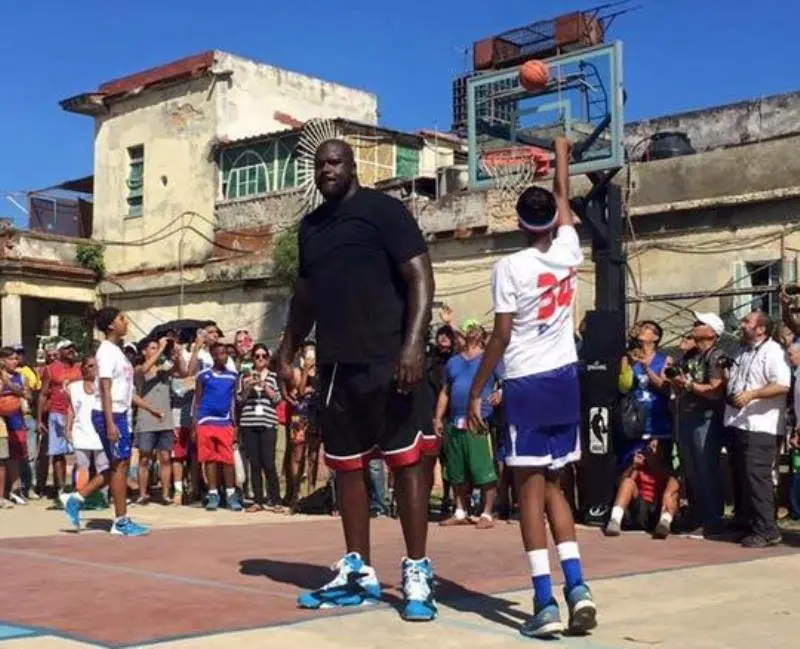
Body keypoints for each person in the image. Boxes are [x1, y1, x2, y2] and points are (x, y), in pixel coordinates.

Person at [277, 139, 438, 621]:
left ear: (352, 167)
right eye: (319, 164)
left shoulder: (383, 211)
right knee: (346, 466)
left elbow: (420, 277)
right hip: (335, 365)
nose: (326, 170)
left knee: (406, 465)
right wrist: (286, 354)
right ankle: (358, 571)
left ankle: (416, 571)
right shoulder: (311, 229)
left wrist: (413, 345)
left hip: (389, 359)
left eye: (335, 162)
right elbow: (305, 297)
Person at [467, 138, 596, 638]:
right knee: (556, 488)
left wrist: (478, 388)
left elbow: (500, 336)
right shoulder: (569, 251)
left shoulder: (510, 268)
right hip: (566, 379)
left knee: (527, 495)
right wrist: (561, 153)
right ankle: (579, 588)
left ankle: (544, 602)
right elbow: (564, 195)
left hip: (525, 382)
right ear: (553, 223)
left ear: (520, 223)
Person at [61, 307, 157, 536]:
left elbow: (126, 385)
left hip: (120, 413)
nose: (127, 322)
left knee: (118, 465)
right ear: (112, 325)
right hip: (110, 414)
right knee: (119, 466)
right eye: (122, 319)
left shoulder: (118, 351)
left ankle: (76, 498)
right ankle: (120, 521)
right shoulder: (105, 351)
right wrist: (110, 422)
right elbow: (105, 388)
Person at [724, 310, 790, 548]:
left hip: (761, 426)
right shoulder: (742, 351)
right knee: (741, 475)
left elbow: (782, 384)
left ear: (761, 328)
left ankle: (767, 530)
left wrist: (752, 394)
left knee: (756, 478)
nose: (742, 325)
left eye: (747, 322)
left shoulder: (773, 351)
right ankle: (746, 521)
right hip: (737, 422)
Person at [434, 322, 501, 529]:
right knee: (456, 470)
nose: (471, 333)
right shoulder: (453, 362)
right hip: (455, 421)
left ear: (481, 334)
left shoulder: (489, 358)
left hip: (479, 421)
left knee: (484, 469)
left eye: (475, 329)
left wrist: (500, 393)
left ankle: (487, 513)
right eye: (468, 329)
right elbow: (445, 391)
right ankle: (460, 510)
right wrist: (438, 417)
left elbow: (506, 381)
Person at [671, 313, 727, 535]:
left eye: (700, 324)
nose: (695, 326)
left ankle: (713, 518)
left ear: (712, 332)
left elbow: (715, 389)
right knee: (691, 468)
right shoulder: (691, 355)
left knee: (706, 467)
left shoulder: (716, 356)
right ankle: (697, 515)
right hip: (686, 416)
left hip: (706, 418)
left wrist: (688, 385)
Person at [134, 336, 188, 505]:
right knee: (144, 458)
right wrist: (161, 349)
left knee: (165, 457)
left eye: (156, 347)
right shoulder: (138, 369)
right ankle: (143, 493)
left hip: (165, 420)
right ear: (144, 351)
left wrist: (177, 355)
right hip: (146, 420)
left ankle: (165, 493)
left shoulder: (163, 370)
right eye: (152, 348)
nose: (156, 350)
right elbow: (144, 369)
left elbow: (184, 372)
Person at [193, 342, 242, 512]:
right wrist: (194, 424)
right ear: (213, 356)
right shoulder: (203, 375)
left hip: (225, 422)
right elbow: (197, 401)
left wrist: (235, 426)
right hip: (205, 421)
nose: (223, 356)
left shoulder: (232, 377)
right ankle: (213, 493)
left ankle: (230, 493)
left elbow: (235, 403)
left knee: (227, 459)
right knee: (210, 459)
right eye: (219, 353)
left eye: (225, 353)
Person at [237, 343, 282, 512]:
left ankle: (276, 499)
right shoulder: (244, 376)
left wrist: (264, 386)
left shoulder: (272, 376)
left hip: (267, 422)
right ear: (253, 359)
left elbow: (277, 399)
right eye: (257, 356)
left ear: (268, 359)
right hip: (249, 423)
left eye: (264, 356)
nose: (260, 359)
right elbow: (240, 400)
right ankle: (257, 499)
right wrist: (249, 387)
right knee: (254, 463)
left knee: (269, 463)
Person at [37, 340, 82, 498]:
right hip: (57, 413)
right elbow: (43, 394)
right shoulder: (50, 369)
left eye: (72, 348)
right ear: (60, 351)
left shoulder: (80, 367)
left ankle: (80, 487)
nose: (71, 351)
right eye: (67, 348)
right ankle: (61, 489)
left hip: (78, 414)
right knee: (58, 453)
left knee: (82, 452)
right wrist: (39, 420)